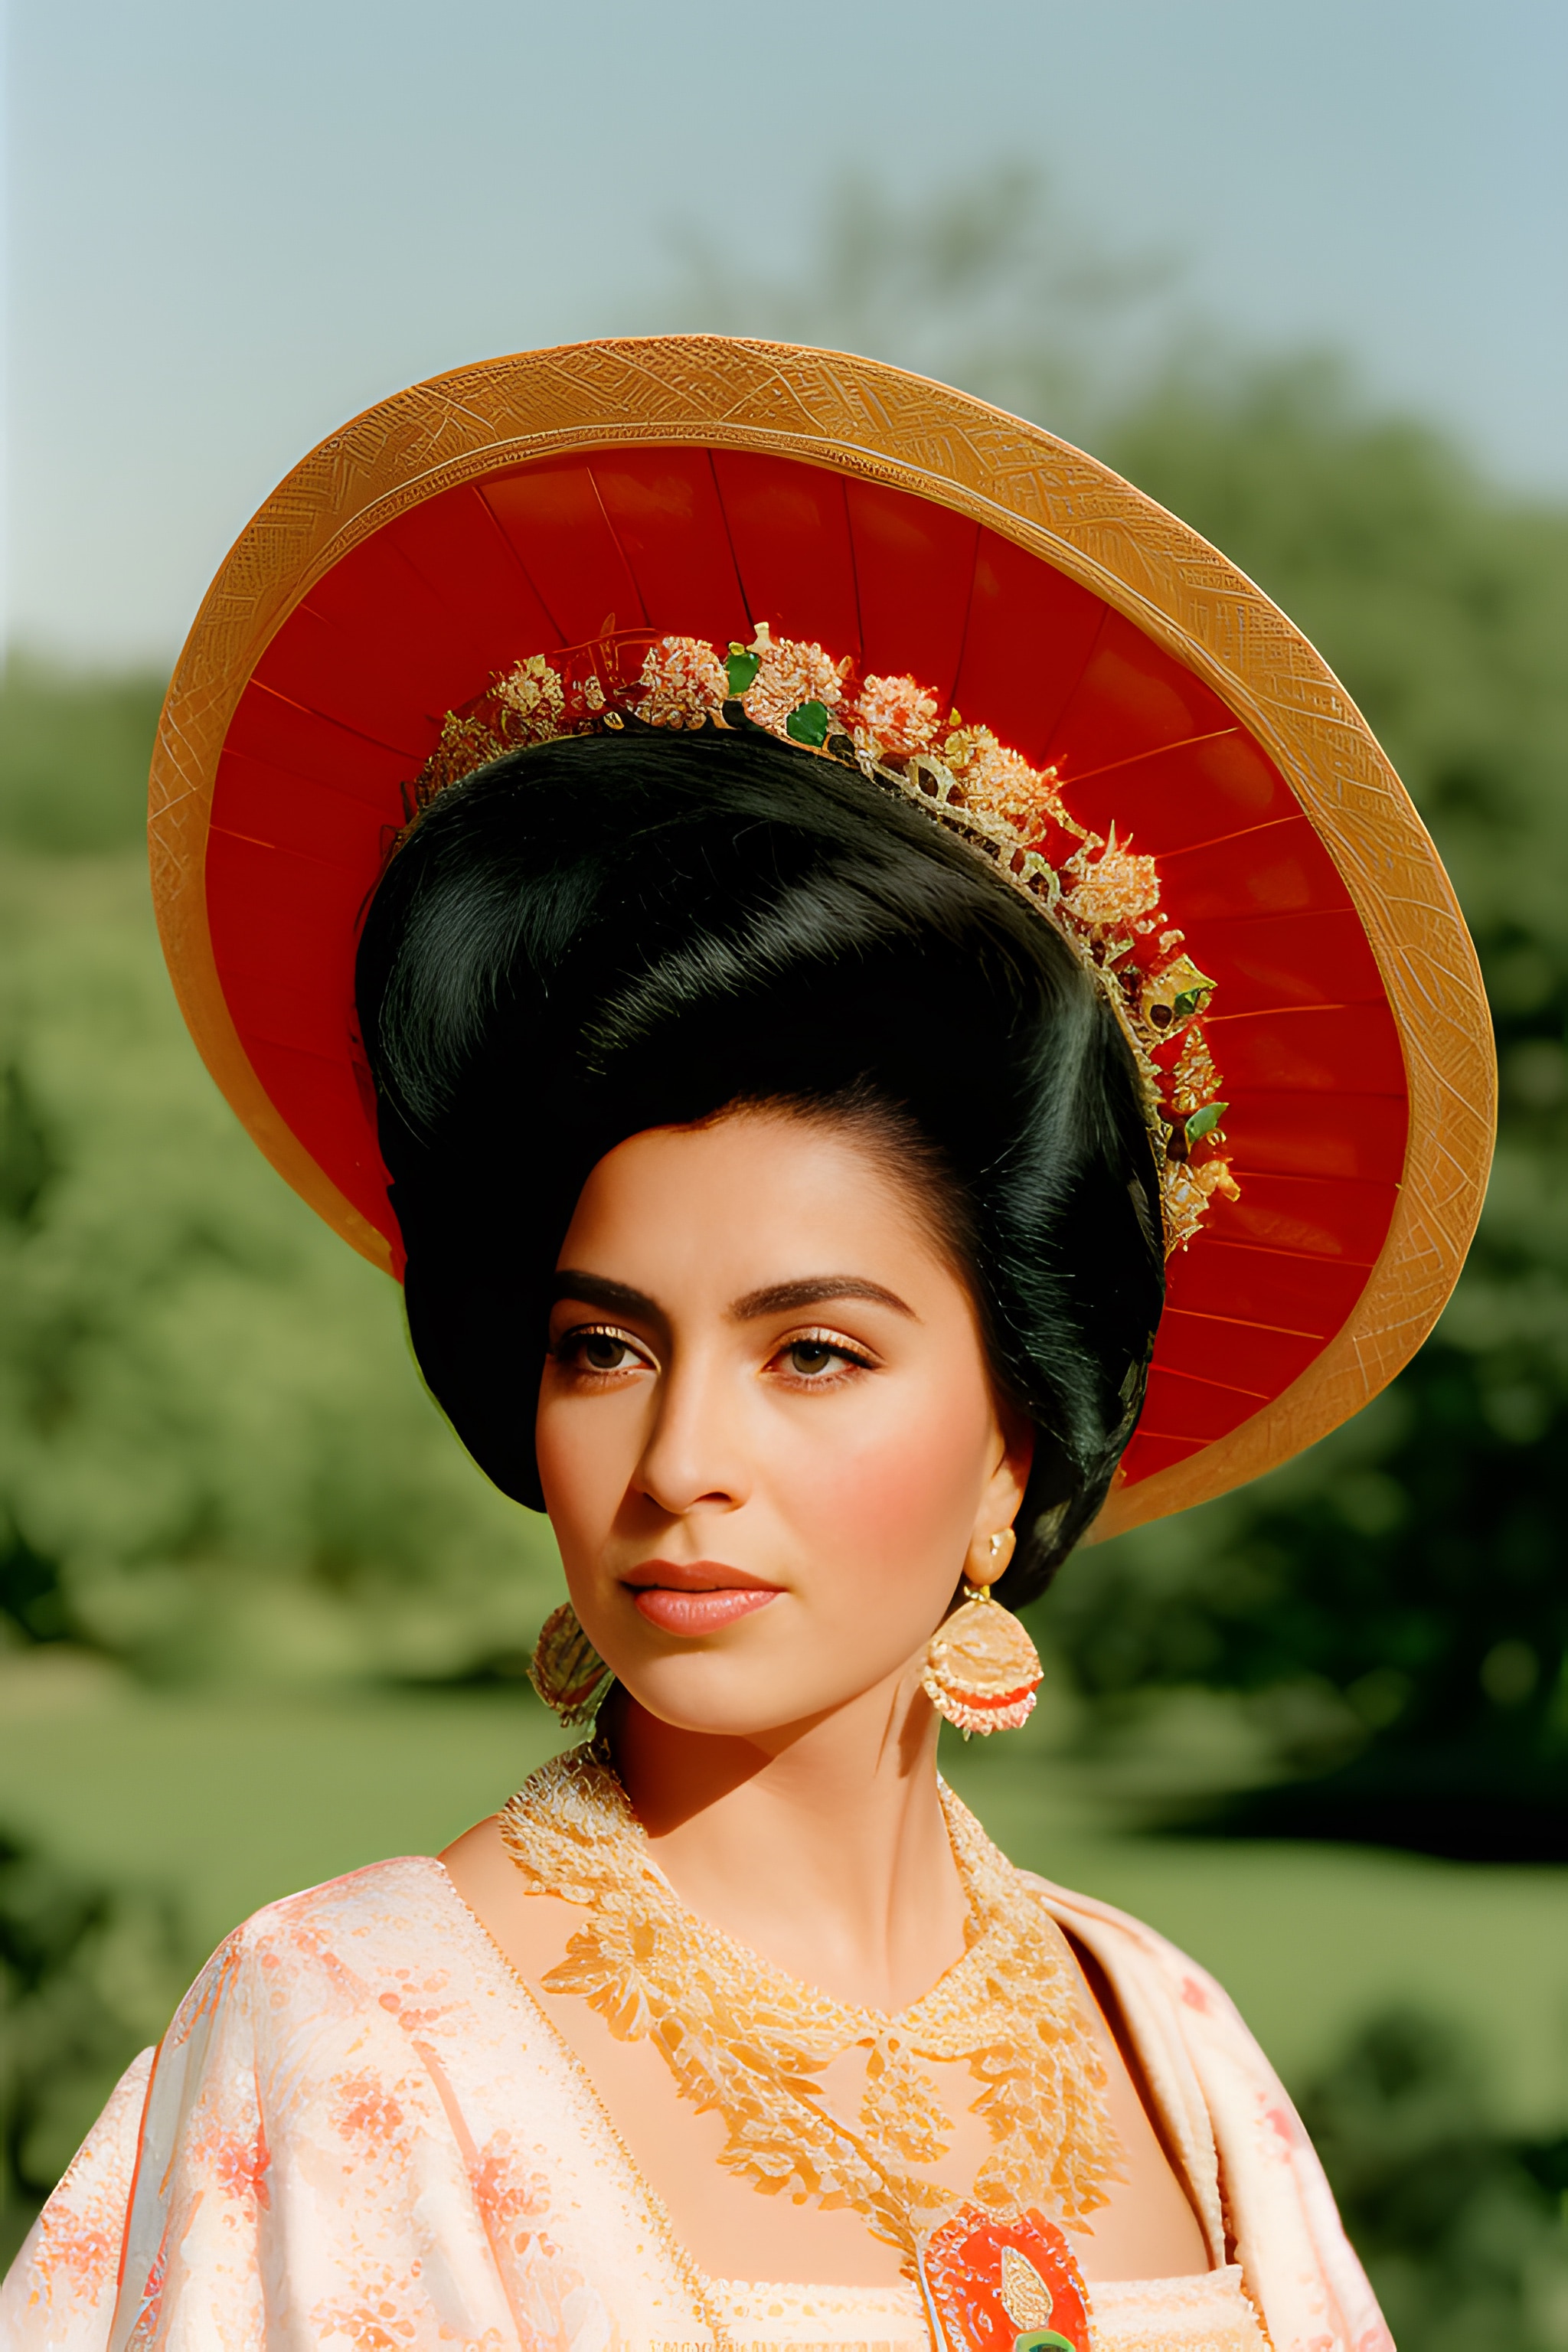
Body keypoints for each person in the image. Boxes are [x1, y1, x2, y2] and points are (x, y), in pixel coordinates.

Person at [2, 338, 1493, 2352]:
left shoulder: (1177, 2046)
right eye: (607, 1346)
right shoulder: (353, 2033)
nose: (681, 1451)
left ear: (1015, 1448)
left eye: (813, 1355)